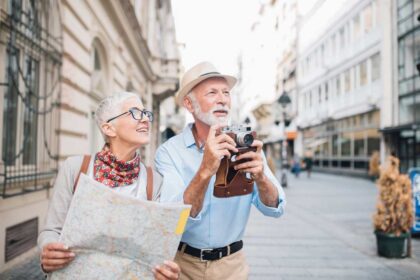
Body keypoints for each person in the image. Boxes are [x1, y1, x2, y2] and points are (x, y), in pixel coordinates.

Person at [155, 62, 286, 279]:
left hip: (232, 266)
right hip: (182, 266)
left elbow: (275, 207)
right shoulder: (169, 152)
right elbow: (174, 220)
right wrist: (206, 169)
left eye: (226, 93)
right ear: (189, 103)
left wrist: (261, 178)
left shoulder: (246, 144)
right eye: (212, 93)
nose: (223, 99)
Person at [38, 92, 180, 280]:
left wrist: (166, 272)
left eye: (146, 113)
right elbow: (51, 231)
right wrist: (48, 251)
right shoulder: (75, 169)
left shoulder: (154, 182)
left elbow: (156, 249)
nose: (146, 119)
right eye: (135, 113)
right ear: (109, 128)